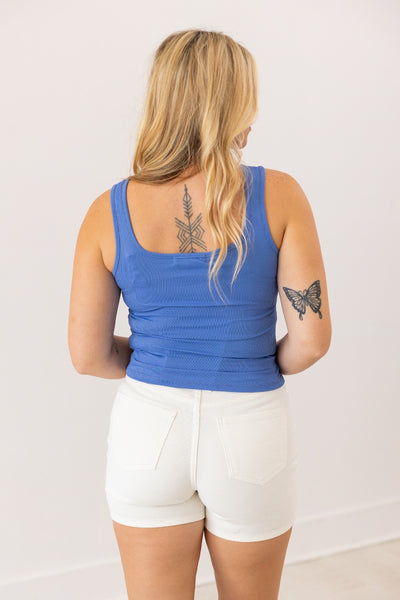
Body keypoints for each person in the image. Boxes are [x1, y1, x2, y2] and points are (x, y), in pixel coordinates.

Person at [68, 28, 331, 600]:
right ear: (229, 104)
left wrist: (164, 356)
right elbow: (311, 341)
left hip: (148, 429)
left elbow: (87, 356)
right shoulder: (280, 195)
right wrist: (248, 359)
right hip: (251, 428)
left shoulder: (106, 211)